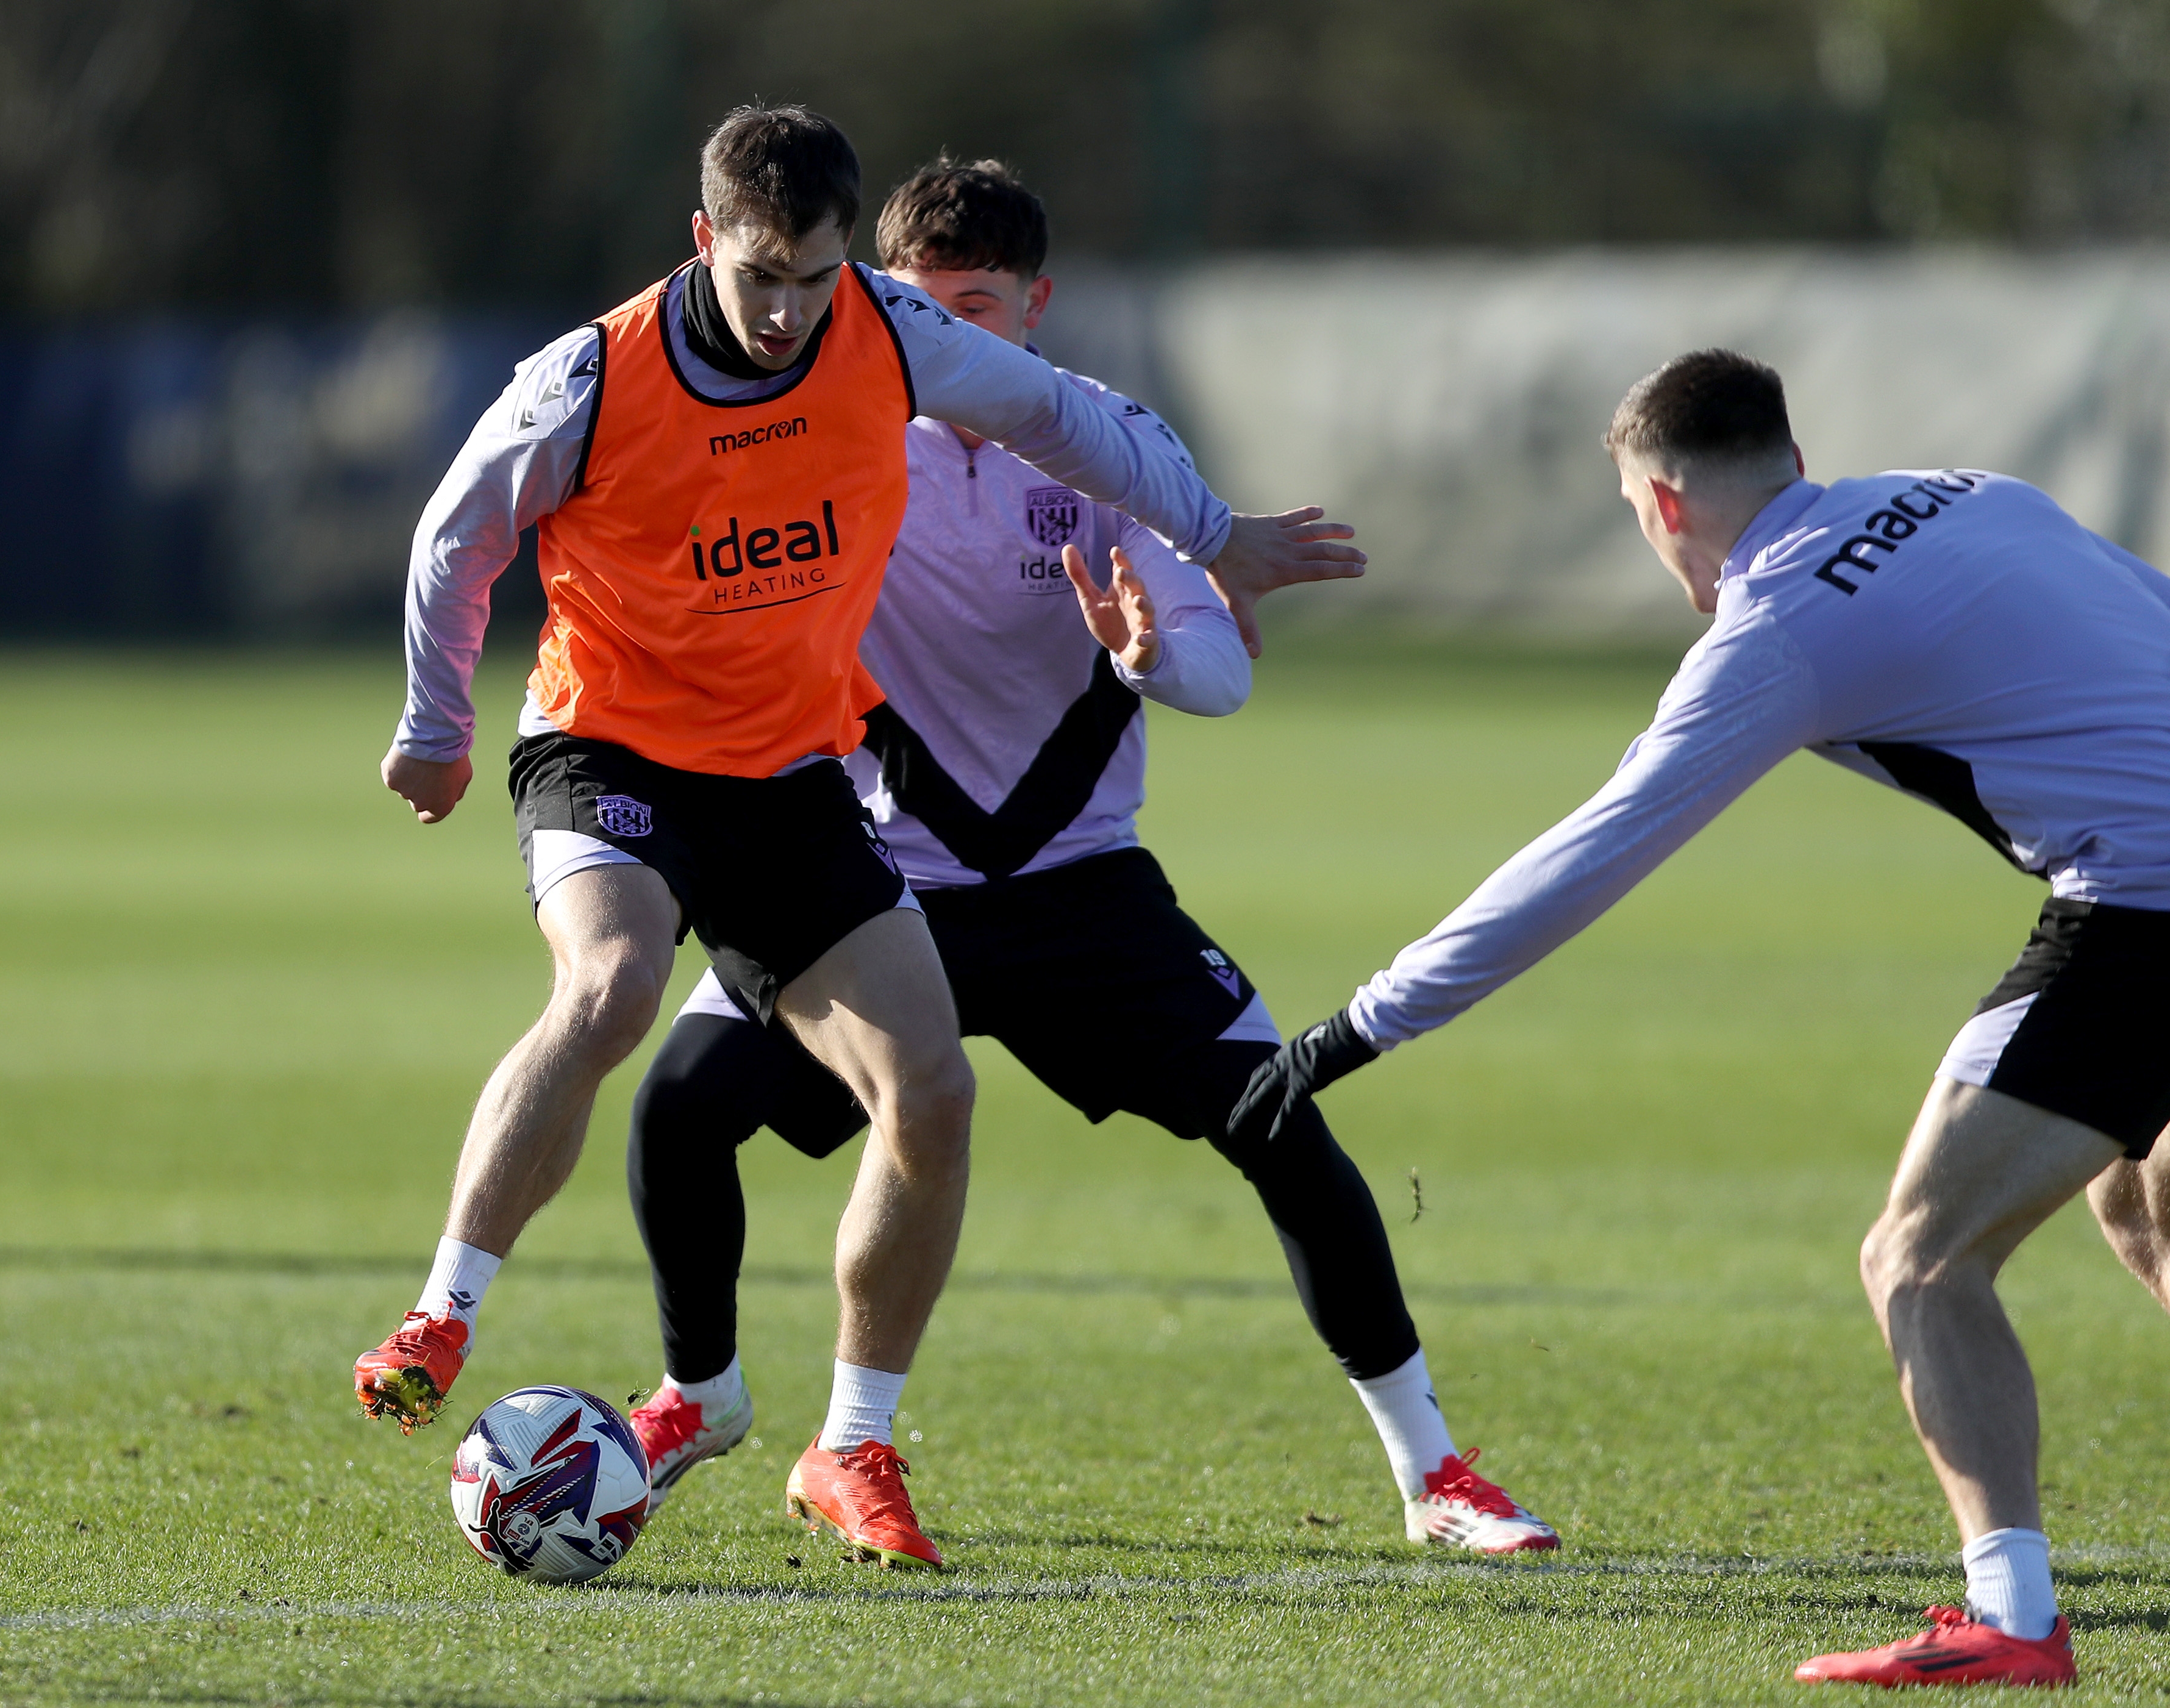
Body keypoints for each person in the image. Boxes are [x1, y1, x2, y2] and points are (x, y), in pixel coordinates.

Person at [352, 105, 1363, 1563]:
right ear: (703, 243)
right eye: (761, 277)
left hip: (786, 775)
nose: (788, 314)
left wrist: (1214, 534)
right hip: (609, 741)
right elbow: (458, 532)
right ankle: (443, 1313)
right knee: (614, 984)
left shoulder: (887, 331)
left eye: (815, 280)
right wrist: (435, 723)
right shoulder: (587, 378)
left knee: (931, 1091)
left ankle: (851, 1446)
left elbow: (1075, 421)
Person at [617, 159, 1558, 1571]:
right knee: (679, 1113)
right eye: (920, 311)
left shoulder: (1108, 448)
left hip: (1082, 891)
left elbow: (1218, 677)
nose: (950, 343)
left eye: (980, 309)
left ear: (1037, 307)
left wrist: (1150, 650)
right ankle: (714, 1400)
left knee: (1280, 1126)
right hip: (880, 885)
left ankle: (1432, 1469)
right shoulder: (825, 439)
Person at [1235, 347, 2170, 1688]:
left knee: (1919, 1261)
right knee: (2161, 1208)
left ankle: (2016, 1619)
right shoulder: (1972, 490)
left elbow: (1589, 854)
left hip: (2159, 907)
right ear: (1793, 460)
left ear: (1658, 506)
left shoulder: (1776, 627)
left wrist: (1359, 1026)